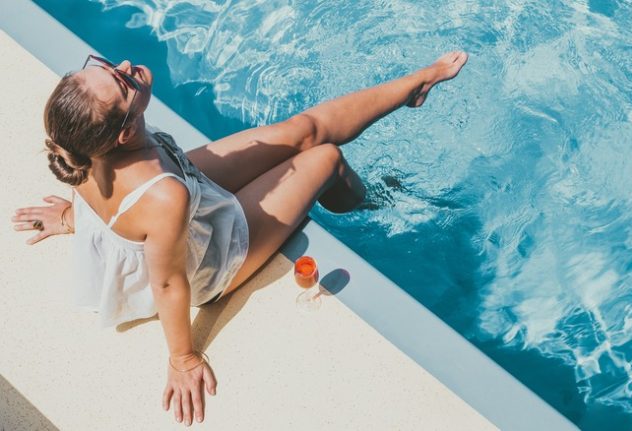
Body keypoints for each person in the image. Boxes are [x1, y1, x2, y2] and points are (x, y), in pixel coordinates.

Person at [11, 50, 468, 426]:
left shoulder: (76, 139)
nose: (126, 67)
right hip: (213, 256)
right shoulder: (162, 197)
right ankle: (372, 209)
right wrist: (183, 359)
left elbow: (106, 206)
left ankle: (416, 84)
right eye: (122, 81)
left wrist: (75, 217)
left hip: (187, 192)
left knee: (302, 132)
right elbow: (169, 284)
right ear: (126, 129)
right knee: (326, 158)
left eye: (106, 68)